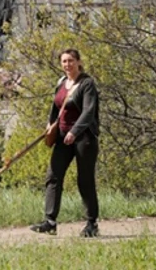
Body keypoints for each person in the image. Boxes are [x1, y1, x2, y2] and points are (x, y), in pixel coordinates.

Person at [30, 48, 100, 238]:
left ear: (79, 62)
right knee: (53, 176)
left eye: (70, 61)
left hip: (84, 138)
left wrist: (75, 131)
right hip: (62, 137)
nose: (67, 65)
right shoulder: (61, 82)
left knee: (85, 180)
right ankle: (50, 222)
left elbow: (88, 112)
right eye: (64, 61)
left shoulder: (87, 84)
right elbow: (55, 107)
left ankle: (92, 223)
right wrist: (50, 124)